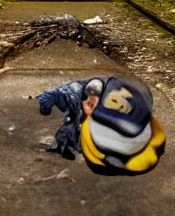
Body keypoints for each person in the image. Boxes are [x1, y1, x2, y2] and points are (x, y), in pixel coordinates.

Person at [36, 74, 166, 173]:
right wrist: (45, 107)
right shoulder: (70, 93)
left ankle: (63, 148)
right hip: (76, 112)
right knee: (68, 131)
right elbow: (50, 99)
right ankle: (60, 148)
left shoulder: (108, 89)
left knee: (72, 130)